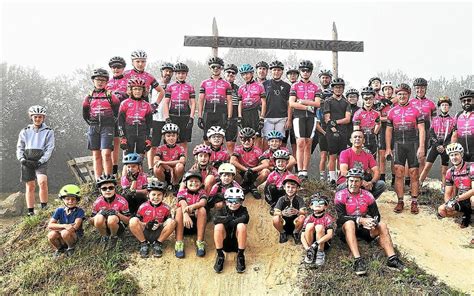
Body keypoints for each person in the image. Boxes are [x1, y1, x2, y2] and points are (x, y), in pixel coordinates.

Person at [335, 168, 405, 276]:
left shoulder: (368, 195)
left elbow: (376, 215)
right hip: (345, 229)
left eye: (357, 181)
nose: (354, 184)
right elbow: (340, 218)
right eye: (351, 181)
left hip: (364, 229)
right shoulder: (340, 195)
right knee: (349, 223)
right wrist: (360, 220)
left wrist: (373, 222)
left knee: (382, 225)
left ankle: (392, 258)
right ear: (347, 181)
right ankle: (358, 260)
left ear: (361, 182)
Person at [385, 83, 425, 214]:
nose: (402, 96)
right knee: (399, 173)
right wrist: (388, 149)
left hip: (412, 144)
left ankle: (414, 202)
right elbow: (388, 131)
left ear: (409, 95)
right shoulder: (391, 111)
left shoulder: (416, 110)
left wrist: (421, 147)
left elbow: (422, 129)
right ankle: (400, 201)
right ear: (396, 96)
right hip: (398, 145)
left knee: (414, 174)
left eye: (404, 94)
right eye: (399, 94)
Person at [17, 105, 55, 216]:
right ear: (31, 117)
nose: (37, 119)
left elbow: (49, 148)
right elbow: (20, 147)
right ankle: (30, 211)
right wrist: (22, 159)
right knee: (30, 185)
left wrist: (41, 160)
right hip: (27, 159)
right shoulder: (25, 131)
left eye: (40, 117)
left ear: (43, 118)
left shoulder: (49, 131)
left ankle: (44, 207)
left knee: (42, 182)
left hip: (40, 160)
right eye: (35, 117)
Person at [82, 68, 120, 179]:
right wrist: (92, 123)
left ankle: (108, 179)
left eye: (103, 80)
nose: (100, 82)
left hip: (107, 128)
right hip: (93, 127)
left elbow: (118, 112)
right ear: (93, 81)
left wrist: (111, 123)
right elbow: (85, 114)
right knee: (96, 155)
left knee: (106, 154)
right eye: (98, 79)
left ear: (107, 82)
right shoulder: (89, 96)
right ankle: (98, 180)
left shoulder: (111, 96)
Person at [289, 60, 321, 180]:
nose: (305, 72)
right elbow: (292, 103)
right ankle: (299, 170)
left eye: (307, 70)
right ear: (300, 72)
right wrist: (307, 106)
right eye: (303, 70)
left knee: (308, 144)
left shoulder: (315, 87)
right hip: (299, 117)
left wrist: (302, 101)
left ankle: (305, 171)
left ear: (311, 72)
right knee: (300, 143)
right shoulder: (295, 86)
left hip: (311, 118)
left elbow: (317, 104)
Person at [129, 180, 177, 258]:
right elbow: (138, 222)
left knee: (172, 221)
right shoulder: (142, 207)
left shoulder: (166, 208)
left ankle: (158, 243)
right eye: (153, 194)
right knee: (133, 220)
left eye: (159, 195)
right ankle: (143, 243)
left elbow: (167, 223)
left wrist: (159, 224)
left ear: (163, 195)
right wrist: (146, 224)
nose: (156, 197)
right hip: (145, 232)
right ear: (148, 195)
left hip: (159, 233)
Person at [419, 97, 456, 191]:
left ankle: (443, 187)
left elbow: (452, 135)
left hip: (446, 148)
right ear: (439, 107)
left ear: (449, 107)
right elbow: (431, 133)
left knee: (444, 170)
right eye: (442, 105)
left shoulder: (452, 120)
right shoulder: (435, 119)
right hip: (436, 146)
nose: (444, 107)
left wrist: (444, 146)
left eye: (446, 105)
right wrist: (437, 145)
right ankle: (419, 183)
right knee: (427, 166)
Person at [337, 130, 386, 199]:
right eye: (355, 137)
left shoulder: (368, 155)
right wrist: (361, 182)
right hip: (347, 183)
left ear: (363, 141)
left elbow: (377, 171)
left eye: (360, 137)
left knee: (381, 184)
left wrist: (371, 182)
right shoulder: (345, 153)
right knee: (347, 186)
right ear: (351, 140)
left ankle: (367, 203)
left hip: (363, 184)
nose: (357, 139)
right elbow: (343, 171)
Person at [213, 187, 249, 273]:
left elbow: (246, 218)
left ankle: (240, 256)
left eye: (237, 200)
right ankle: (220, 255)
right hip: (224, 243)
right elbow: (215, 219)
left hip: (237, 244)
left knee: (241, 226)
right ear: (225, 201)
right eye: (230, 200)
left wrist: (233, 221)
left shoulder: (243, 210)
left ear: (241, 201)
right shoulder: (222, 210)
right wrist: (227, 219)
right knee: (218, 227)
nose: (233, 203)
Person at [162, 62, 195, 157]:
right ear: (175, 74)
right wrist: (167, 118)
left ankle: (182, 163)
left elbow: (193, 103)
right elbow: (166, 102)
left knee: (184, 142)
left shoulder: (190, 87)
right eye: (179, 73)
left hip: (185, 116)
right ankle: (170, 161)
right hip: (173, 116)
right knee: (171, 141)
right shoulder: (170, 86)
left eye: (183, 73)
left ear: (186, 74)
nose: (181, 75)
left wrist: (191, 118)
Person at [437, 143, 473, 228]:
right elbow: (447, 193)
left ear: (461, 154)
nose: (454, 157)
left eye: (456, 154)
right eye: (451, 155)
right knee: (442, 210)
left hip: (471, 196)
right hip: (462, 200)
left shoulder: (471, 167)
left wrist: (457, 198)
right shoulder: (450, 172)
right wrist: (449, 204)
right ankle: (466, 214)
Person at [323, 78, 351, 186]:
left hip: (343, 132)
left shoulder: (346, 103)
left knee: (341, 156)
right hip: (331, 132)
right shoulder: (328, 101)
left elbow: (347, 119)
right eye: (336, 87)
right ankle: (332, 179)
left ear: (343, 89)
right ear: (333, 88)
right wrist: (333, 124)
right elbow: (327, 119)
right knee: (332, 156)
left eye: (340, 87)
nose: (338, 89)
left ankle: (341, 178)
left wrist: (335, 122)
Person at [91, 174, 130, 249]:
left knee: (112, 218)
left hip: (118, 226)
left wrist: (117, 214)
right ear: (100, 190)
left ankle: (114, 237)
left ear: (115, 188)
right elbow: (91, 221)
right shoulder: (97, 202)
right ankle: (104, 237)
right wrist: (99, 214)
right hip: (103, 227)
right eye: (104, 188)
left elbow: (128, 221)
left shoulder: (122, 201)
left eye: (111, 188)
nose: (108, 190)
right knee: (98, 218)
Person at [197, 57, 233, 140]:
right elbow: (201, 100)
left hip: (221, 114)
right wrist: (199, 116)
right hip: (208, 113)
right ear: (210, 68)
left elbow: (229, 101)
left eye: (218, 67)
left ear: (221, 68)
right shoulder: (204, 83)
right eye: (213, 67)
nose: (216, 69)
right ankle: (206, 153)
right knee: (206, 138)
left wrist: (229, 118)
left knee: (219, 138)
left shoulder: (226, 84)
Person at [175, 170, 208, 258]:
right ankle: (179, 243)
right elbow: (182, 203)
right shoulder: (182, 192)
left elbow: (203, 202)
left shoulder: (202, 192)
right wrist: (185, 214)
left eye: (196, 181)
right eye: (191, 181)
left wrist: (193, 207)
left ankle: (200, 242)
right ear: (185, 183)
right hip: (183, 226)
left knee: (202, 209)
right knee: (179, 210)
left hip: (197, 225)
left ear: (201, 184)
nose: (194, 183)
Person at [148, 62, 174, 174]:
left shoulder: (173, 85)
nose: (167, 73)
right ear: (161, 72)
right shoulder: (154, 85)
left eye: (170, 71)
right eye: (165, 71)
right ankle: (151, 168)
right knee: (153, 145)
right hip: (155, 118)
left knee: (168, 145)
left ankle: (167, 168)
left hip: (168, 118)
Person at [230, 127, 270, 199]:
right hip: (242, 171)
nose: (246, 142)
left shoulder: (257, 150)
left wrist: (252, 169)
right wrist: (245, 169)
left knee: (266, 171)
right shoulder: (238, 149)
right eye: (244, 139)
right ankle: (242, 186)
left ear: (253, 139)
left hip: (253, 172)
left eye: (249, 139)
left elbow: (266, 164)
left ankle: (253, 187)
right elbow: (232, 161)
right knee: (232, 169)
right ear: (240, 140)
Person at [47, 184, 84, 257]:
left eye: (73, 199)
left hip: (74, 235)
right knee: (51, 235)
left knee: (64, 232)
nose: (70, 201)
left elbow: (75, 227)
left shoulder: (80, 211)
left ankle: (71, 248)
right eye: (67, 199)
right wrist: (65, 225)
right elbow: (50, 225)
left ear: (77, 200)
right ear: (63, 199)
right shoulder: (59, 210)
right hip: (63, 233)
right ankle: (59, 249)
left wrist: (57, 227)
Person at [118, 77, 153, 155]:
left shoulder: (147, 105)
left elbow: (150, 124)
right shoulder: (124, 103)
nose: (137, 91)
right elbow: (120, 122)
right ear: (130, 90)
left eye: (140, 89)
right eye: (135, 89)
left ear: (143, 91)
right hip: (128, 134)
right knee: (127, 160)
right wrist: (122, 137)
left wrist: (149, 139)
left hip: (142, 134)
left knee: (140, 158)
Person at [262, 60, 291, 151]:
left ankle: (279, 163)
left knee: (279, 142)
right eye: (274, 70)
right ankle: (266, 163)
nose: (276, 72)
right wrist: (261, 116)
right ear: (271, 71)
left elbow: (289, 104)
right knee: (267, 142)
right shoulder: (264, 84)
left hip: (282, 118)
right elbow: (261, 102)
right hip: (267, 117)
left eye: (278, 70)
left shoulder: (287, 86)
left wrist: (289, 119)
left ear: (282, 71)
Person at [107, 56, 128, 176]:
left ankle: (127, 171)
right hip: (111, 116)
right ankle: (114, 171)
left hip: (125, 115)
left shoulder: (128, 81)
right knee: (113, 144)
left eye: (119, 67)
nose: (116, 69)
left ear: (123, 68)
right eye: (113, 67)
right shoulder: (107, 83)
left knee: (125, 142)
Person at [409, 78, 437, 170]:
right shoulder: (410, 103)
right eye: (417, 88)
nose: (419, 90)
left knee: (422, 158)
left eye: (422, 88)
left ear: (425, 89)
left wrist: (434, 135)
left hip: (425, 133)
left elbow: (434, 121)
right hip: (412, 132)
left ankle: (420, 181)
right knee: (410, 157)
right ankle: (408, 180)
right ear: (415, 89)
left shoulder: (431, 104)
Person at [237, 63, 267, 148]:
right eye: (243, 74)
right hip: (244, 113)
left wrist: (262, 117)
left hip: (255, 113)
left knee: (257, 136)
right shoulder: (241, 88)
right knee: (245, 136)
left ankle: (257, 158)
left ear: (252, 73)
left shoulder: (259, 86)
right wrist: (239, 116)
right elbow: (240, 103)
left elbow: (264, 102)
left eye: (247, 73)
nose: (245, 76)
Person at [301, 194, 335, 266]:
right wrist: (307, 248)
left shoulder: (328, 218)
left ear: (325, 207)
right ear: (311, 206)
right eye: (315, 203)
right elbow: (302, 236)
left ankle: (320, 252)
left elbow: (330, 234)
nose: (318, 205)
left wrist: (317, 243)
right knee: (309, 225)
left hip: (323, 242)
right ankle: (310, 252)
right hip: (310, 244)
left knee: (319, 227)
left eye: (321, 203)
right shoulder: (308, 218)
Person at [272, 174, 306, 244]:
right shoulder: (281, 199)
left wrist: (297, 212)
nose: (290, 190)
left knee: (302, 217)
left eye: (293, 187)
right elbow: (275, 211)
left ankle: (295, 233)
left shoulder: (299, 200)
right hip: (284, 223)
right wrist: (282, 213)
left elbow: (304, 212)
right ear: (284, 187)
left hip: (295, 223)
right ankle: (282, 233)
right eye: (288, 187)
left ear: (297, 188)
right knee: (275, 218)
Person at [153, 123, 186, 191]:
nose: (171, 138)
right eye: (168, 136)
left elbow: (182, 161)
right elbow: (156, 161)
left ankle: (175, 184)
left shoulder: (180, 148)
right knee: (156, 167)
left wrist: (163, 162)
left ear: (177, 136)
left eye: (173, 136)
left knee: (180, 166)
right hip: (165, 171)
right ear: (164, 137)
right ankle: (163, 184)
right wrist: (168, 167)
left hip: (175, 172)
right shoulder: (160, 148)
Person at [375, 81, 395, 183]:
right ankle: (382, 178)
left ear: (392, 90)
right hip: (383, 129)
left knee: (394, 154)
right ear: (383, 91)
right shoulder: (379, 103)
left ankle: (394, 179)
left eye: (389, 89)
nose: (388, 91)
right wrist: (389, 118)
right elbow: (378, 118)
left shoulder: (396, 102)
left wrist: (386, 118)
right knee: (382, 154)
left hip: (395, 130)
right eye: (385, 89)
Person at [353, 87, 381, 157]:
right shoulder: (358, 113)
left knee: (372, 162)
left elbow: (378, 124)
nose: (368, 101)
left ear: (374, 99)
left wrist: (374, 132)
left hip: (372, 140)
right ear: (362, 99)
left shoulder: (376, 113)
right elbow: (356, 130)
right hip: (362, 140)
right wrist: (360, 142)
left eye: (370, 98)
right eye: (366, 99)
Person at [316, 89, 334, 181]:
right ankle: (322, 177)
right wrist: (325, 133)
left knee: (331, 156)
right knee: (323, 155)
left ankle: (331, 177)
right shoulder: (319, 109)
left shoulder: (334, 108)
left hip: (333, 133)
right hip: (323, 133)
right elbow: (317, 124)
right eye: (325, 97)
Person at [451, 89, 474, 162]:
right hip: (462, 153)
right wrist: (453, 152)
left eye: (469, 100)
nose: (466, 102)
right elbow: (454, 135)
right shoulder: (458, 115)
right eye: (464, 101)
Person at [223, 63, 240, 153]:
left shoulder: (238, 89)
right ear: (224, 74)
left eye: (233, 73)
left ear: (235, 76)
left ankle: (230, 164)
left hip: (233, 118)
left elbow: (241, 104)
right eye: (228, 72)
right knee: (216, 142)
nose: (230, 74)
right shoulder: (219, 86)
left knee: (230, 145)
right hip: (220, 117)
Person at [283, 65, 299, 155]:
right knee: (282, 143)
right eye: (290, 74)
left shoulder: (299, 86)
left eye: (294, 74)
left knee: (295, 144)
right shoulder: (285, 87)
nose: (292, 76)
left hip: (297, 117)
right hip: (284, 117)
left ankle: (297, 168)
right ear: (287, 76)